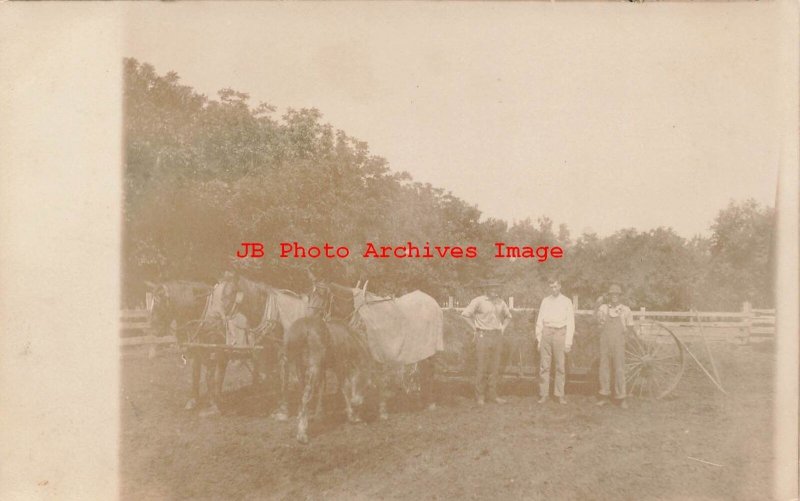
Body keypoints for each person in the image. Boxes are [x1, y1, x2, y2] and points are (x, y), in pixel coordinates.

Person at [461, 280, 512, 405]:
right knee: (482, 366)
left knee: (494, 367)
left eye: (497, 288)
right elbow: (465, 315)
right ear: (487, 289)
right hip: (483, 335)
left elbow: (508, 317)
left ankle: (493, 395)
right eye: (492, 288)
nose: (495, 290)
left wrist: (503, 328)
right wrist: (475, 328)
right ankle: (480, 396)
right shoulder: (478, 301)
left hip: (496, 336)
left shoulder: (501, 302)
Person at [535, 277, 575, 404]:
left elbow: (571, 322)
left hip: (560, 333)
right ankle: (544, 394)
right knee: (544, 365)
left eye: (556, 286)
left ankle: (559, 394)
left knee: (560, 365)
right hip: (547, 332)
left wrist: (568, 342)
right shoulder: (545, 301)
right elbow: (540, 320)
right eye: (551, 287)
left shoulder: (567, 301)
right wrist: (539, 339)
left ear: (560, 286)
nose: (554, 289)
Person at [595, 284, 635, 409]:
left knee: (619, 369)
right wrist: (597, 305)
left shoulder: (626, 310)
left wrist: (624, 341)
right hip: (605, 342)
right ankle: (605, 395)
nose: (614, 297)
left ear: (620, 296)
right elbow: (597, 322)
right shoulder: (603, 308)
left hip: (619, 342)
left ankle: (621, 397)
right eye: (612, 294)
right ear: (609, 296)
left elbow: (630, 327)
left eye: (617, 294)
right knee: (604, 368)